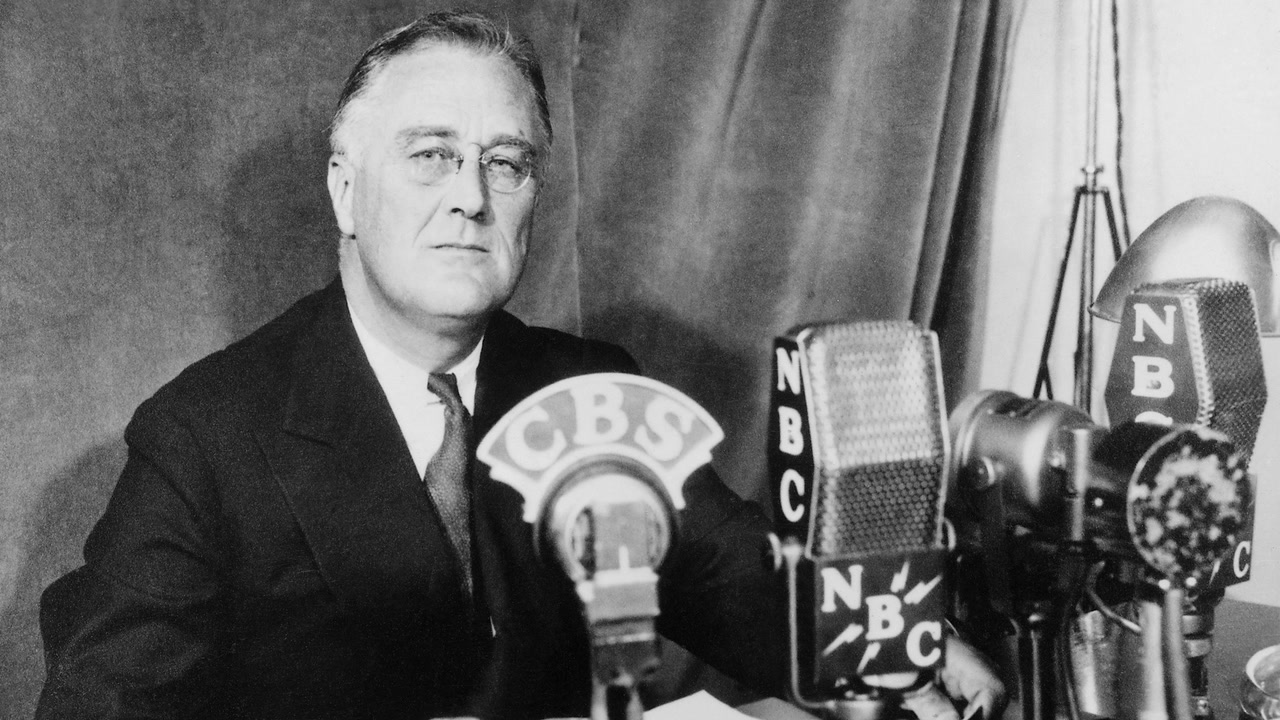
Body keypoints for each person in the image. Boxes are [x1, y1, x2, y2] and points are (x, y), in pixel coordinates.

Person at [36, 10, 1005, 720]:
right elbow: (103, 705)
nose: (471, 196)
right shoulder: (206, 436)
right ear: (344, 189)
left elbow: (739, 584)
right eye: (430, 155)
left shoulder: (592, 392)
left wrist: (893, 646)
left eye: (505, 163)